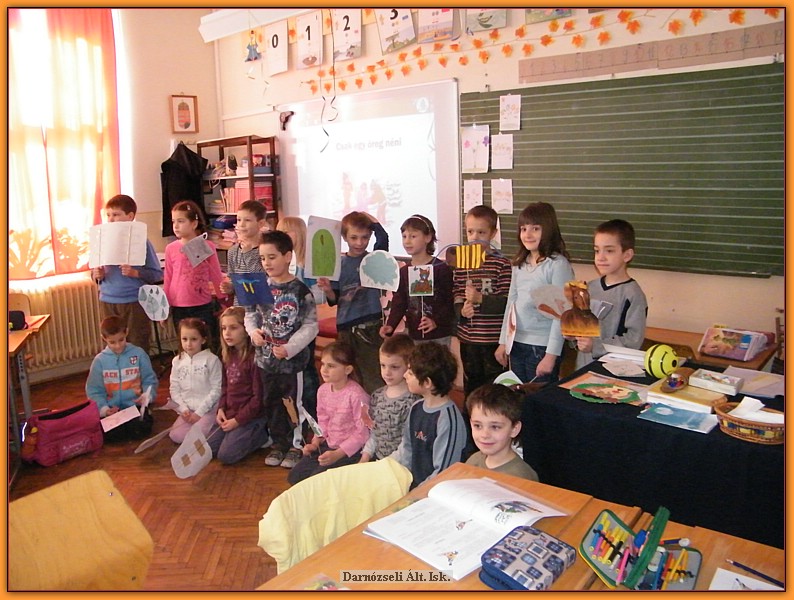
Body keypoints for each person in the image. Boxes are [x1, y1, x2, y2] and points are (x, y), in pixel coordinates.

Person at [245, 230, 318, 469]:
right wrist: (253, 333)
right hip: (265, 362)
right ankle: (279, 443)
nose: (267, 263)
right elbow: (250, 315)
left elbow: (311, 325)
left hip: (292, 364)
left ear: (287, 256)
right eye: (263, 258)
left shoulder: (300, 290)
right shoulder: (258, 286)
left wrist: (290, 348)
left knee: (294, 403)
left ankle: (297, 444)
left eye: (272, 257)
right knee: (272, 402)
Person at [496, 202, 574, 384]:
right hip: (517, 342)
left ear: (548, 230)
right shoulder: (519, 264)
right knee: (518, 395)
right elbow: (511, 303)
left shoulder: (557, 265)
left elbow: (561, 315)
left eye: (535, 229)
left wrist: (551, 355)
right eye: (523, 229)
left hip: (542, 347)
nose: (528, 234)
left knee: (538, 397)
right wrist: (503, 341)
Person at [317, 211, 388, 393]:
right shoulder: (338, 264)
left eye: (365, 237)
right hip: (346, 328)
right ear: (344, 237)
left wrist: (372, 221)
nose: (359, 243)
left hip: (371, 326)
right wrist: (328, 289)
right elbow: (334, 299)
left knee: (373, 376)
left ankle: (374, 409)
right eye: (354, 237)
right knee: (349, 377)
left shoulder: (374, 259)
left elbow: (383, 238)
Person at [288, 341, 370, 485]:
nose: (324, 370)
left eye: (331, 366)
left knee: (316, 482)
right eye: (323, 364)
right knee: (295, 477)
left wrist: (338, 454)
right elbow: (322, 422)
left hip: (350, 451)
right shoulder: (323, 390)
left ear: (348, 369)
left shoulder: (357, 395)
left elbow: (363, 433)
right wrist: (315, 443)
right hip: (328, 445)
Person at [390, 342, 466, 489]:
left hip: (435, 492)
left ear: (427, 383)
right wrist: (383, 467)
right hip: (415, 487)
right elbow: (406, 451)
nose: (405, 375)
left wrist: (414, 495)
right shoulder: (416, 408)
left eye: (410, 373)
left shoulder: (447, 420)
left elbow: (443, 473)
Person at [91, 194, 163, 352]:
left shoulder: (141, 242)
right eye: (108, 215)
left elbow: (156, 274)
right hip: (108, 300)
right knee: (112, 344)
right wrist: (97, 275)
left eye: (116, 215)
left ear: (130, 216)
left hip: (134, 300)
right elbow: (94, 273)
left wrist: (136, 273)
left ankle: (139, 368)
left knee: (137, 341)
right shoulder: (102, 241)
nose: (111, 219)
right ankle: (117, 369)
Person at [454, 205, 512, 395]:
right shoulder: (462, 264)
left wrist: (481, 298)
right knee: (472, 385)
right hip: (469, 340)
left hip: (493, 340)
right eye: (470, 232)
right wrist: (462, 311)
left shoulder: (502, 264)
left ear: (493, 233)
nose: (475, 237)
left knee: (495, 388)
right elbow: (456, 296)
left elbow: (506, 303)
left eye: (481, 232)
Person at [574, 219, 648, 369]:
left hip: (614, 371)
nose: (600, 257)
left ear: (627, 255)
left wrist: (596, 346)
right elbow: (581, 330)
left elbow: (633, 340)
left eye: (609, 251)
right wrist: (571, 334)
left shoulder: (633, 295)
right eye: (597, 250)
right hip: (583, 367)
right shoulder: (589, 288)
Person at [380, 214, 454, 346]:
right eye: (404, 236)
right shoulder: (404, 271)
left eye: (413, 236)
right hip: (415, 334)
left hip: (439, 334)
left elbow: (449, 301)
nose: (407, 241)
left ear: (428, 238)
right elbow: (400, 301)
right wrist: (390, 325)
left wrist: (436, 320)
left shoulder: (440, 268)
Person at [208, 306, 269, 464]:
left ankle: (262, 434)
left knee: (226, 455)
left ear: (246, 329)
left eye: (233, 328)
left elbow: (258, 399)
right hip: (230, 412)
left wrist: (237, 421)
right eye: (224, 328)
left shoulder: (254, 358)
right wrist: (221, 408)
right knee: (208, 448)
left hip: (250, 417)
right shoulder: (227, 355)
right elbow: (225, 387)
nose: (227, 333)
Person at [276, 216, 321, 422]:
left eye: (289, 231)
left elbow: (319, 296)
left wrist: (301, 296)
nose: (284, 236)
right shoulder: (279, 267)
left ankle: (312, 415)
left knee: (307, 372)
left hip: (303, 328)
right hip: (284, 329)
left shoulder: (307, 265)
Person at [163, 200, 225, 351]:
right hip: (179, 306)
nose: (176, 226)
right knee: (185, 346)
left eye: (181, 221)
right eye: (173, 221)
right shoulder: (171, 248)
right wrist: (164, 308)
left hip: (202, 305)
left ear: (194, 224)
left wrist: (223, 300)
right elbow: (168, 278)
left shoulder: (207, 246)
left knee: (205, 344)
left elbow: (216, 275)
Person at [85, 315, 157, 442]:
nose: (118, 346)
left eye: (121, 340)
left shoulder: (139, 354)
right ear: (104, 338)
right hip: (112, 410)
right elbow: (94, 391)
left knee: (142, 426)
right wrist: (104, 409)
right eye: (112, 342)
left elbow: (149, 380)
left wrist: (147, 396)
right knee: (107, 433)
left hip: (134, 406)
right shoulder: (99, 361)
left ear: (126, 332)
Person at [360, 333, 420, 463]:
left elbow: (408, 445)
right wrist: (365, 455)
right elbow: (375, 432)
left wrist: (384, 465)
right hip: (378, 461)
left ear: (409, 366)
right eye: (383, 365)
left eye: (394, 367)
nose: (387, 372)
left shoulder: (413, 402)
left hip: (401, 465)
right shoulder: (377, 396)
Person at [464, 384, 539, 481]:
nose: (484, 435)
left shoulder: (521, 477)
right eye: (478, 426)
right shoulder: (473, 460)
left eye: (495, 427)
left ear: (514, 429)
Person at [168, 318, 222, 444]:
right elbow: (174, 388)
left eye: (194, 339)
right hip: (188, 411)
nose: (188, 344)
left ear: (203, 340)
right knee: (176, 436)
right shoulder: (177, 361)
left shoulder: (212, 360)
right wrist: (183, 409)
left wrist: (199, 413)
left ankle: (215, 426)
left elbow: (216, 390)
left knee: (196, 438)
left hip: (207, 410)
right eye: (184, 339)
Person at [219, 200, 268, 306]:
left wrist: (248, 254)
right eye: (239, 220)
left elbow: (264, 280)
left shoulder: (267, 249)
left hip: (262, 308)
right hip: (240, 308)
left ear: (261, 223)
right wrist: (230, 287)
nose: (241, 224)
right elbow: (234, 280)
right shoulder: (233, 251)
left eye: (247, 220)